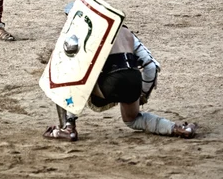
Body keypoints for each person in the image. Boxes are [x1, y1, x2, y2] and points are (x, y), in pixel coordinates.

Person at [43, 25, 197, 141]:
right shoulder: (126, 32)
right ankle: (178, 129)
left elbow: (68, 65)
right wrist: (142, 93)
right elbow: (151, 66)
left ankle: (67, 127)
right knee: (132, 119)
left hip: (111, 83)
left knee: (64, 75)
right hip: (134, 79)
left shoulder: (82, 32)